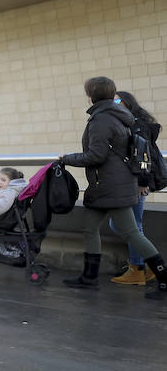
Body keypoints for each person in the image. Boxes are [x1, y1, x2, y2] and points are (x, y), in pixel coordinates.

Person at [59, 77, 167, 300]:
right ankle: (89, 277)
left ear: (91, 95)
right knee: (90, 228)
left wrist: (66, 158)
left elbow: (96, 155)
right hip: (108, 184)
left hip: (110, 185)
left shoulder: (101, 120)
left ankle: (164, 277)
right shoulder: (117, 116)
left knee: (131, 233)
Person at [109, 91, 159, 285]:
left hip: (136, 182)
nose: (114, 104)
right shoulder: (129, 122)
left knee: (131, 226)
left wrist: (142, 182)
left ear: (127, 103)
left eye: (117, 101)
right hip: (132, 181)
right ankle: (147, 267)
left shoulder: (136, 124)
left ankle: (138, 269)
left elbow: (143, 156)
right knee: (131, 226)